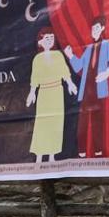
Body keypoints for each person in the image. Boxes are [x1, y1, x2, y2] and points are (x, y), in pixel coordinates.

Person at [63, 16, 109, 157]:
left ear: (102, 28)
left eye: (96, 28)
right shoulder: (88, 49)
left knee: (97, 122)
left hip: (98, 90)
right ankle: (82, 152)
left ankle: (99, 151)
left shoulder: (107, 45)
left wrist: (106, 73)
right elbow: (79, 67)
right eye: (92, 28)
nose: (93, 31)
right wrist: (70, 56)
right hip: (86, 89)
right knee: (82, 122)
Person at [25, 27, 77, 167]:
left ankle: (52, 155)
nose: (49, 40)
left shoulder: (58, 56)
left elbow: (65, 72)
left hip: (57, 92)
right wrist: (32, 93)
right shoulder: (37, 59)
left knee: (56, 124)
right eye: (46, 38)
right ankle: (39, 156)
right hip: (44, 93)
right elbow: (35, 77)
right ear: (41, 41)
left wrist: (70, 84)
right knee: (42, 124)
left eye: (51, 37)